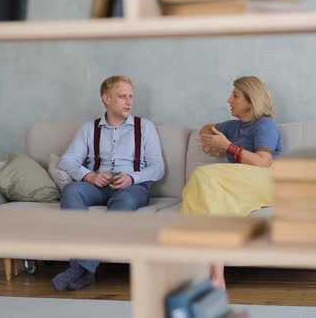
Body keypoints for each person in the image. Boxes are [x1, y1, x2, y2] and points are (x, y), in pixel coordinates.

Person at [53, 75, 164, 291]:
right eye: (122, 96)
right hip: (97, 185)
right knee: (71, 191)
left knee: (123, 200)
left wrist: (132, 177)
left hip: (133, 188)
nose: (129, 101)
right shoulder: (88, 129)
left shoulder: (145, 127)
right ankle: (85, 269)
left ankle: (80, 268)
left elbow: (157, 167)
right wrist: (89, 176)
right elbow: (67, 160)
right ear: (106, 98)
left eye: (131, 96)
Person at [181, 76, 283, 288]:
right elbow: (207, 127)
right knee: (209, 192)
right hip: (238, 182)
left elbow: (262, 162)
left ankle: (205, 270)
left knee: (203, 176)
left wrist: (227, 146)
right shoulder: (233, 126)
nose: (229, 100)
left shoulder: (266, 125)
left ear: (250, 101)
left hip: (266, 180)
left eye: (235, 95)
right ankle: (215, 273)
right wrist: (210, 143)